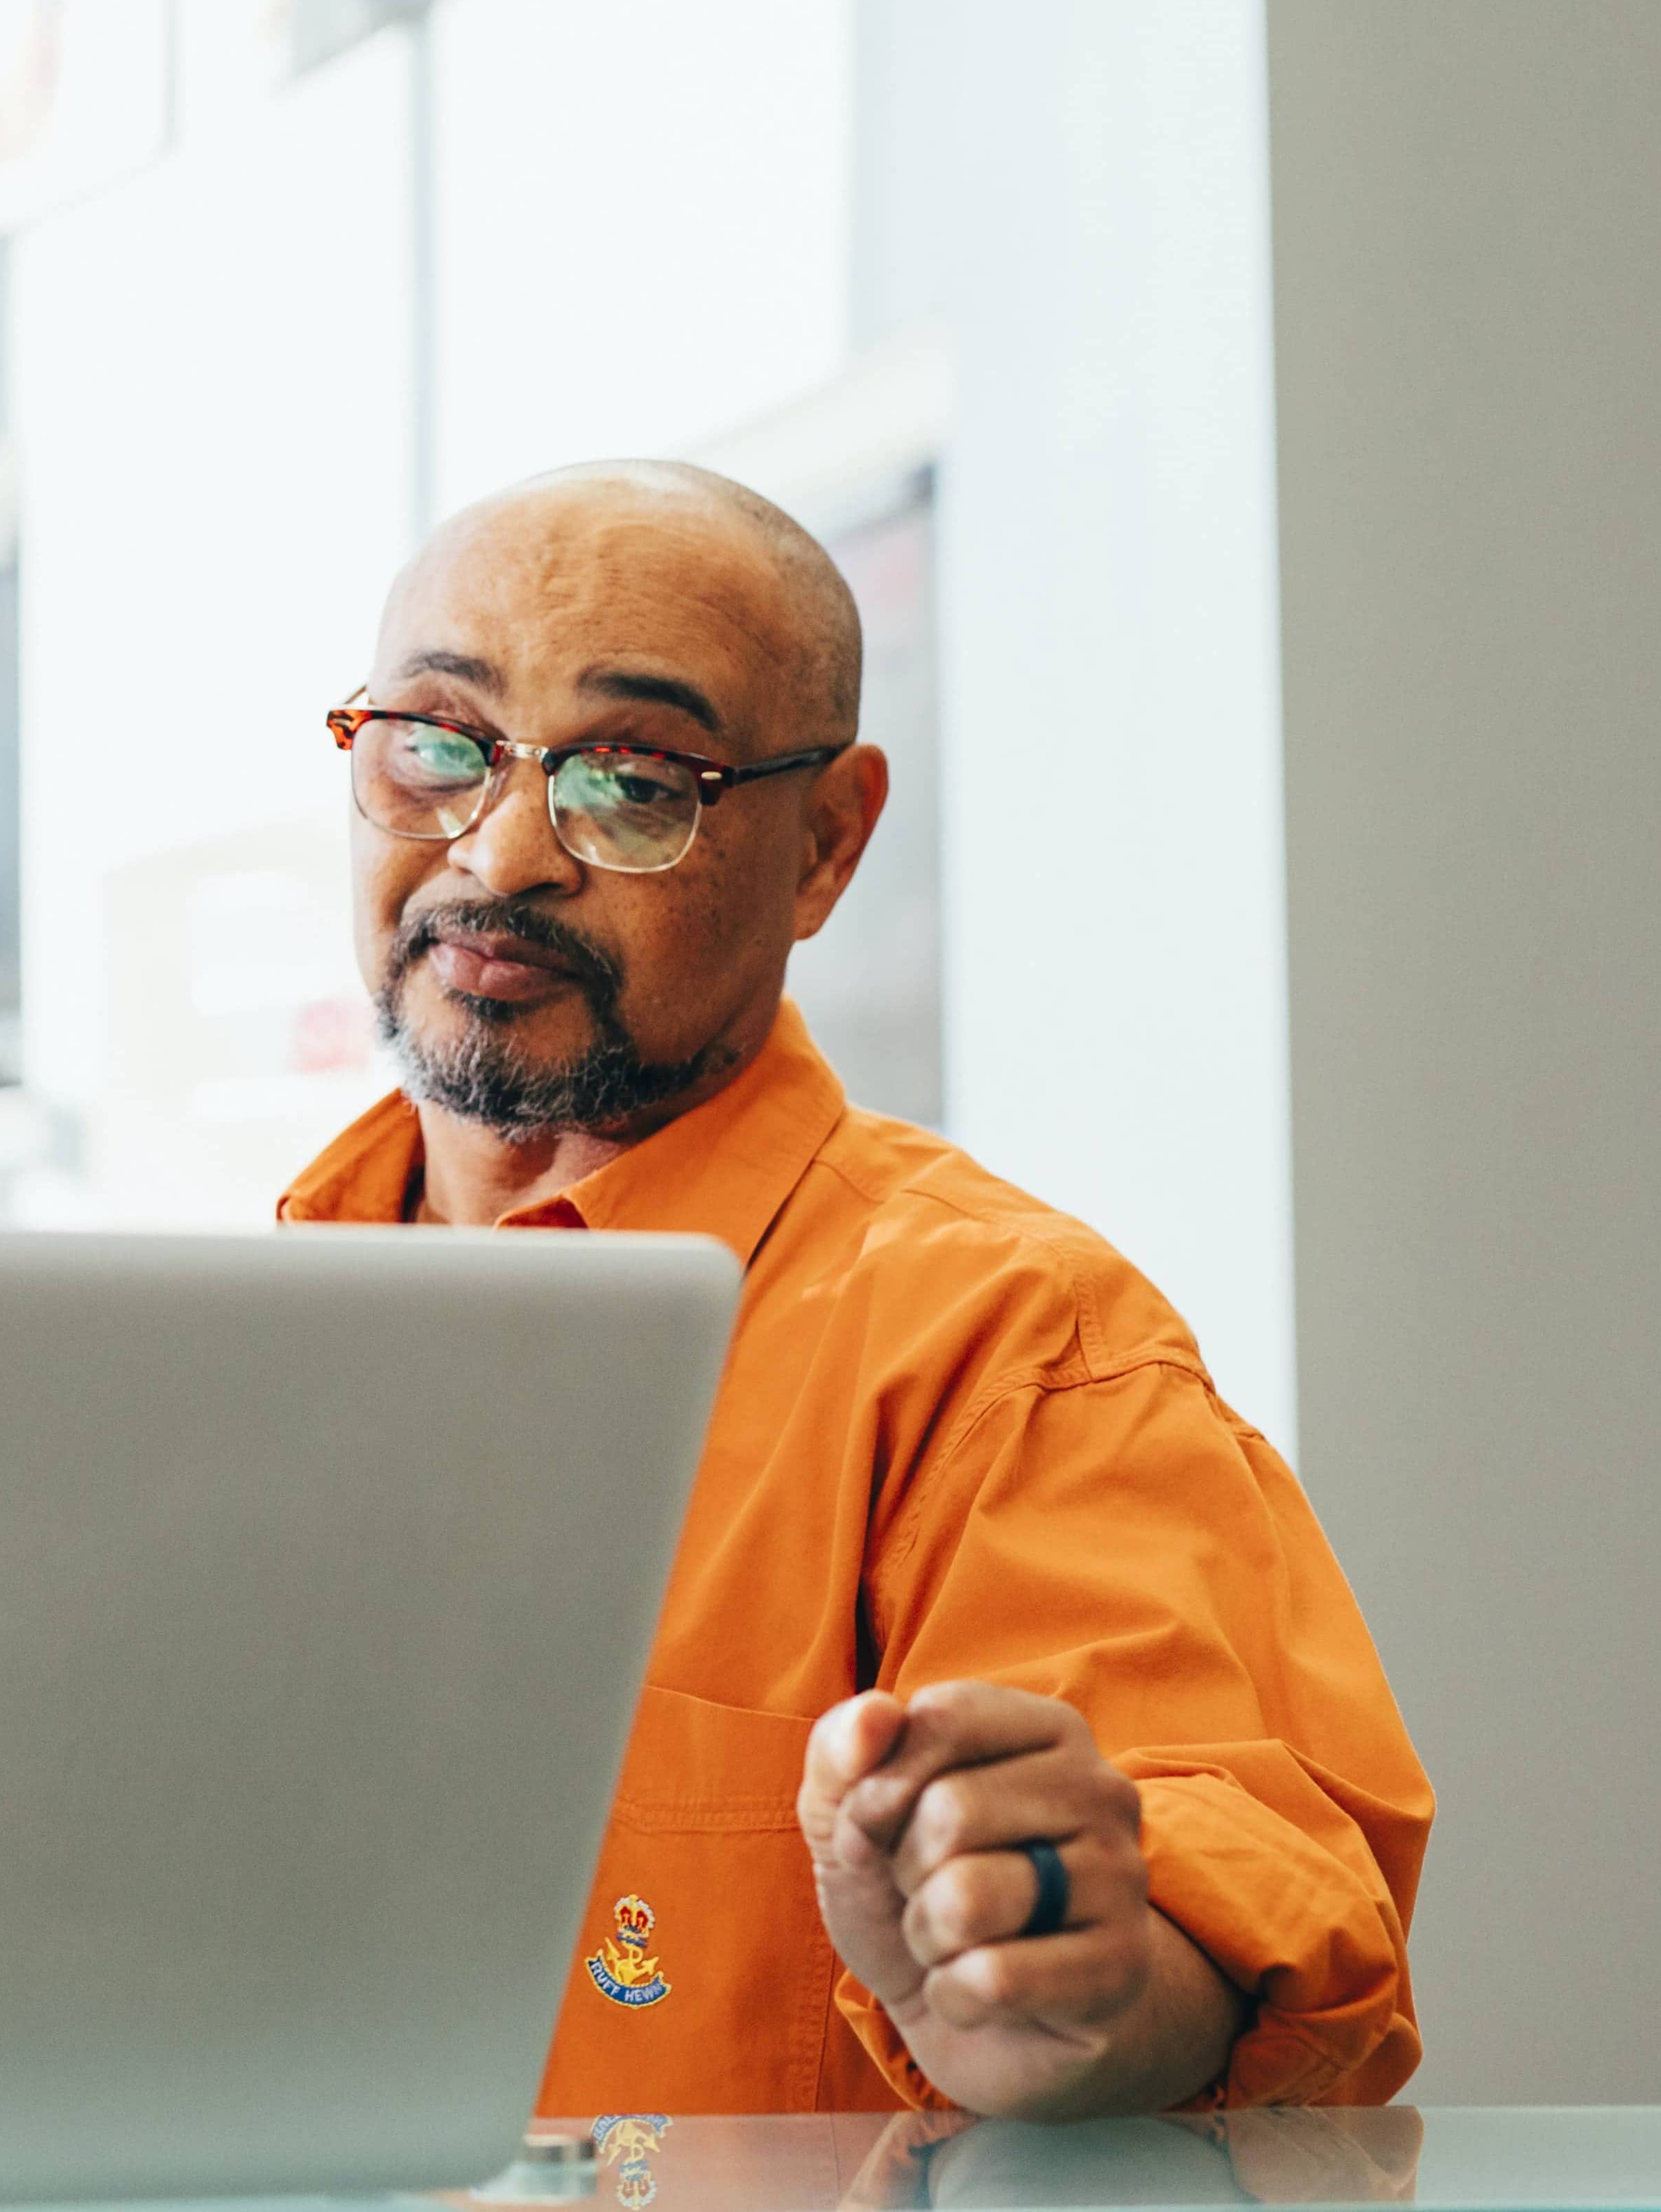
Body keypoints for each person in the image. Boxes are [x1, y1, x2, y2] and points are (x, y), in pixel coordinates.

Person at [282, 461, 1431, 2120]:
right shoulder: (244, 1331)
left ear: (824, 844)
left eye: (633, 780)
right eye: (438, 745)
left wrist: (1065, 1990)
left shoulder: (1013, 1343)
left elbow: (1219, 1913)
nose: (506, 850)